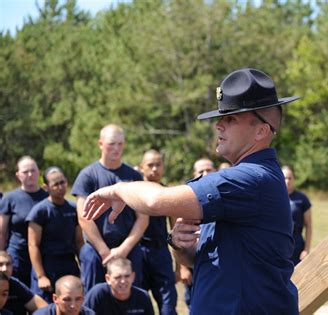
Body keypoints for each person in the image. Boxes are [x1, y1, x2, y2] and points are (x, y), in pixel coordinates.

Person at [82, 68, 300, 314]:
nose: (219, 125)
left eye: (231, 119)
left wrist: (119, 188)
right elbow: (199, 261)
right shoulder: (244, 180)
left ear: (261, 130)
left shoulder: (251, 178)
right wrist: (179, 245)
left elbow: (155, 201)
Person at [71, 124, 148, 292]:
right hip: (96, 249)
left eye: (120, 144)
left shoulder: (134, 176)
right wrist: (104, 252)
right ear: (100, 144)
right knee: (93, 297)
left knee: (132, 296)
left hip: (128, 247)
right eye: (112, 143)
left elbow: (143, 217)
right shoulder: (88, 175)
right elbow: (83, 217)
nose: (116, 148)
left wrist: (125, 249)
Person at [26, 167, 83, 303]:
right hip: (47, 266)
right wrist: (41, 276)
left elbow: (79, 241)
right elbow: (33, 245)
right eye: (55, 184)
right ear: (46, 187)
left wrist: (83, 268)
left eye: (62, 182)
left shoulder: (73, 208)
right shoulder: (40, 211)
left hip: (69, 265)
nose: (60, 187)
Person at [138, 149, 177, 315]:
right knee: (138, 302)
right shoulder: (133, 191)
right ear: (141, 167)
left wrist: (181, 266)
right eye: (150, 165)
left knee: (167, 302)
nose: (154, 169)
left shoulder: (169, 193)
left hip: (160, 251)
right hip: (137, 251)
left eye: (158, 164)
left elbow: (175, 231)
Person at [0, 156, 49, 287]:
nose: (30, 175)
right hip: (17, 255)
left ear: (39, 172)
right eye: (25, 172)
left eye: (33, 171)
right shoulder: (10, 199)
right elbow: (2, 232)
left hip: (43, 254)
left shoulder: (48, 197)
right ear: (18, 175)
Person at [175, 158, 216, 310]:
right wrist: (183, 268)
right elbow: (178, 238)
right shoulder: (188, 200)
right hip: (196, 264)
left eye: (209, 169)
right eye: (201, 171)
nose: (205, 173)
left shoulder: (226, 195)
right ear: (194, 174)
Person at [83, 258, 153, 315]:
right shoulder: (97, 294)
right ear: (108, 279)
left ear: (133, 277)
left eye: (127, 276)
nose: (123, 281)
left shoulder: (143, 297)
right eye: (118, 277)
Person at [282, 165, 313, 265]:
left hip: (297, 245)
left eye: (289, 178)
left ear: (294, 179)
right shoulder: (273, 198)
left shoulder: (302, 199)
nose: (287, 181)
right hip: (279, 246)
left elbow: (309, 225)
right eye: (284, 178)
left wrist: (306, 249)